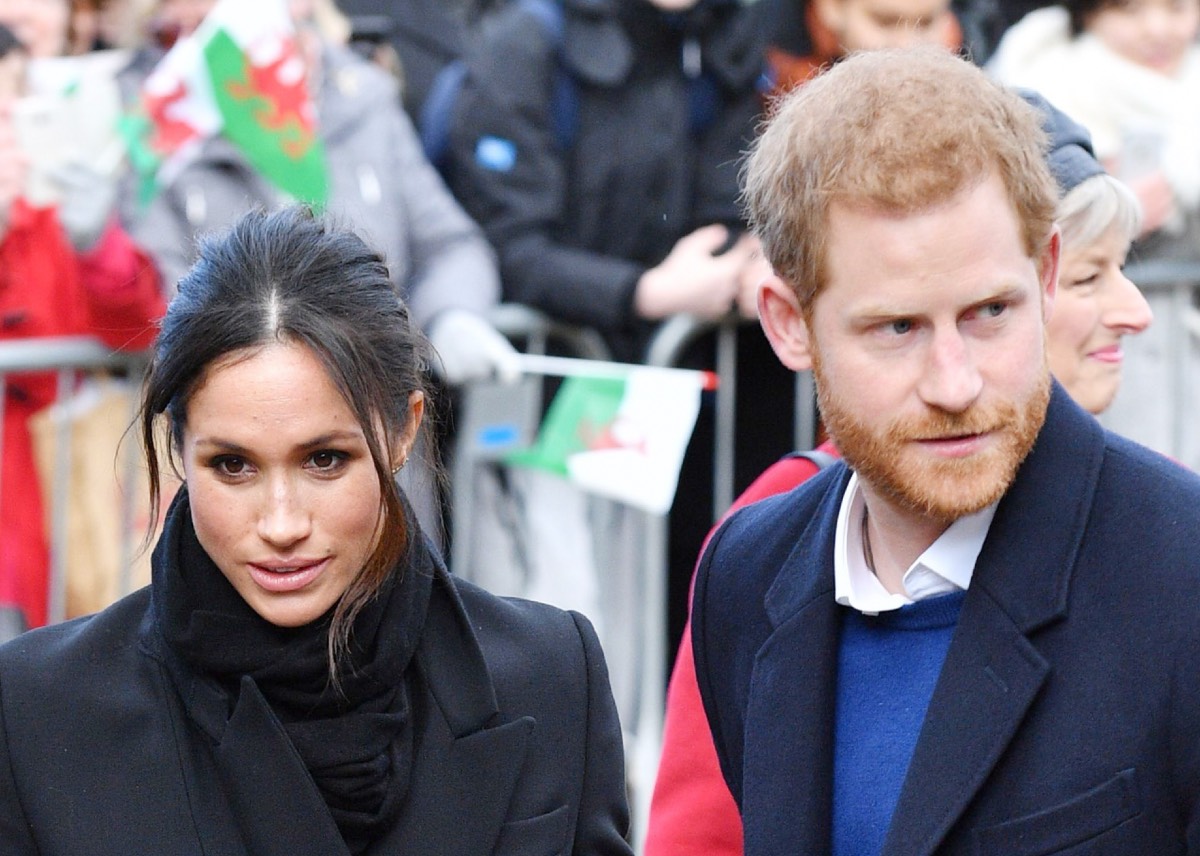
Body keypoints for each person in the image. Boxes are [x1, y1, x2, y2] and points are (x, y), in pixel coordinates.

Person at [0, 205, 633, 855]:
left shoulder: (551, 675)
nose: (281, 523)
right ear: (180, 447)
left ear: (403, 429)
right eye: (233, 465)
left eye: (324, 459)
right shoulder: (39, 714)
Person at [691, 46, 1200, 854]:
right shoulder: (744, 578)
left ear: (1046, 273)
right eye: (898, 328)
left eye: (989, 312)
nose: (955, 383)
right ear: (789, 324)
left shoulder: (1183, 571)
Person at [0, 20, 164, 635]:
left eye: (20, 104)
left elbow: (143, 327)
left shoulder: (55, 222)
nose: (14, 131)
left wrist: (99, 244)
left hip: (57, 524)